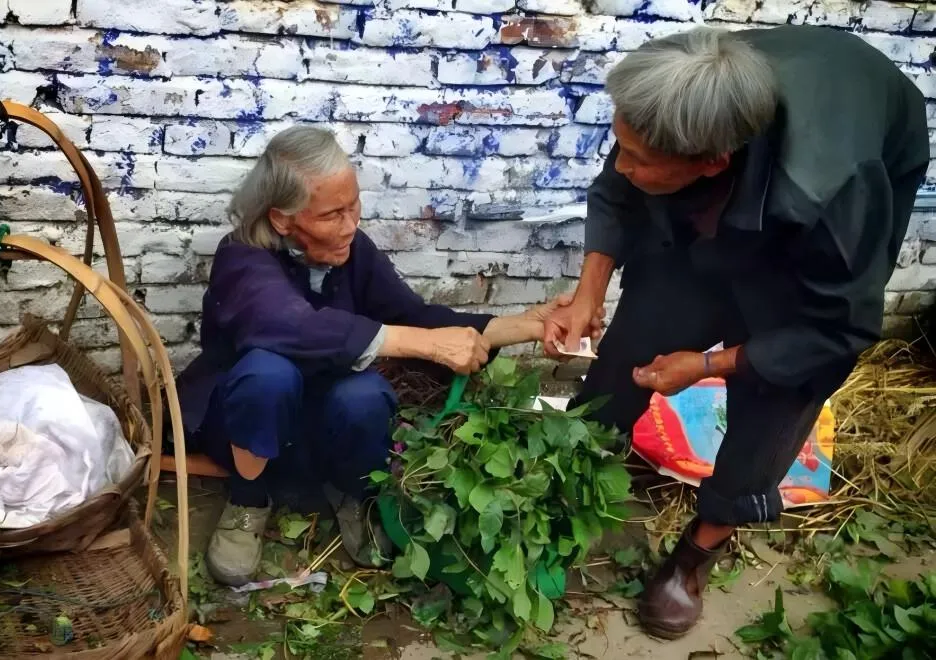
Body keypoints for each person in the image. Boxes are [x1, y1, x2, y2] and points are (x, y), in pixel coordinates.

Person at [542, 25, 928, 639]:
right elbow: (617, 188)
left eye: (639, 159)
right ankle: (576, 465)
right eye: (621, 146)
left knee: (781, 388)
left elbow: (838, 330)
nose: (622, 164)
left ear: (713, 160)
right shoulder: (674, 100)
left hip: (847, 169)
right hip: (770, 118)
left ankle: (696, 554)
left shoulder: (835, 196)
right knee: (646, 325)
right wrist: (589, 294)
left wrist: (707, 367)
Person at [176, 126, 565, 586]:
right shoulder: (243, 256)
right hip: (245, 428)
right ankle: (246, 501)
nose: (350, 225)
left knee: (365, 395)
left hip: (317, 430)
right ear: (283, 219)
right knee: (268, 372)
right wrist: (424, 344)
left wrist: (528, 325)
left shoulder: (351, 251)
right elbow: (289, 323)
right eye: (332, 214)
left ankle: (354, 496)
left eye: (353, 207)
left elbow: (415, 314)